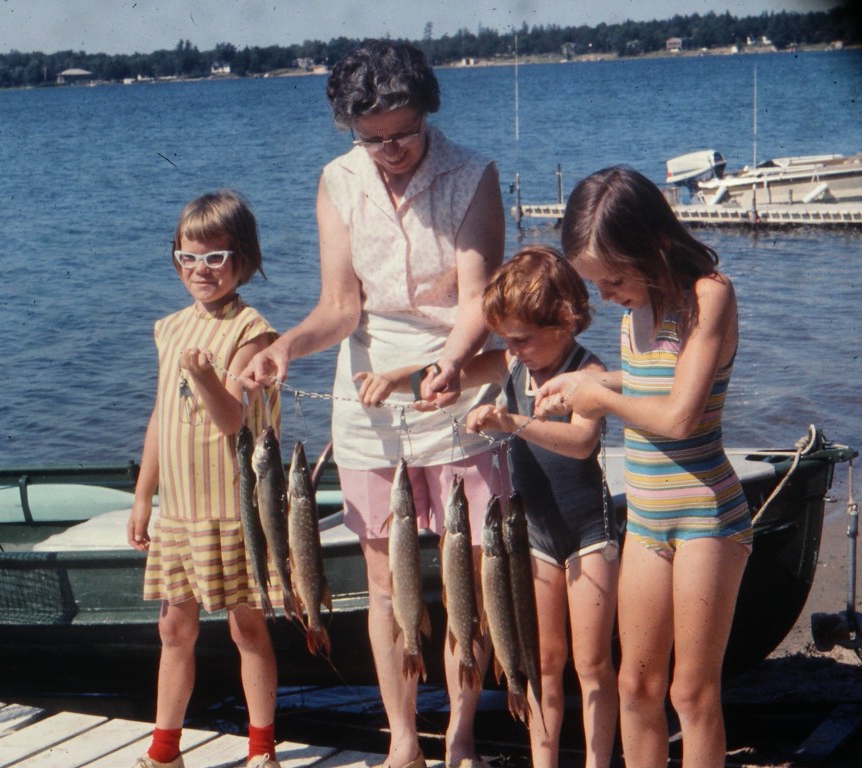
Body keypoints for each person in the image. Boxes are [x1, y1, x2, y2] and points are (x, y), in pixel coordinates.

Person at [242, 39, 505, 768]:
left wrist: (448, 362)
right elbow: (339, 306)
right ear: (349, 130)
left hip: (459, 377)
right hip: (366, 398)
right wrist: (286, 347)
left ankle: (460, 737)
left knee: (469, 577)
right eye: (374, 138)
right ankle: (401, 741)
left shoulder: (473, 174)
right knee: (386, 583)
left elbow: (481, 300)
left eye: (405, 132)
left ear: (429, 112)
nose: (391, 150)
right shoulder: (338, 180)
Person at [358, 245, 623, 768]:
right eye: (506, 338)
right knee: (543, 661)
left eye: (521, 338)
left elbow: (581, 443)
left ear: (564, 323)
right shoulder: (509, 363)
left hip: (589, 530)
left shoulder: (587, 371)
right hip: (537, 536)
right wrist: (403, 380)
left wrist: (510, 423)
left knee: (592, 663)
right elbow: (451, 374)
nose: (513, 348)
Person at [535, 166, 752, 768]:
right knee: (634, 687)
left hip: (707, 516)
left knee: (690, 692)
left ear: (652, 246)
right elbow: (650, 382)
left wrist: (600, 399)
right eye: (595, 282)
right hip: (649, 520)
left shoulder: (710, 295)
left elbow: (681, 416)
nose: (605, 296)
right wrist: (590, 378)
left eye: (612, 279)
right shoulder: (637, 312)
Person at [127, 190, 284, 768]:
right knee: (174, 630)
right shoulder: (169, 329)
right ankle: (165, 750)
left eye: (216, 258)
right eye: (188, 256)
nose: (199, 269)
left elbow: (234, 420)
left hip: (234, 510)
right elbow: (160, 418)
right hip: (181, 511)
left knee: (247, 630)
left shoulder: (253, 330)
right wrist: (145, 496)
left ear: (242, 260)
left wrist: (203, 375)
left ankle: (261, 748)